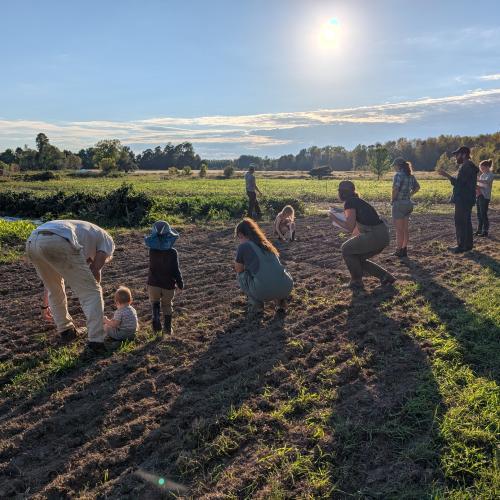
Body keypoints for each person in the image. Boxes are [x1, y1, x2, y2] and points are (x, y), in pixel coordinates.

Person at [26, 219, 115, 353]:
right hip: (59, 240)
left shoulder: (86, 234)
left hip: (33, 240)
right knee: (92, 293)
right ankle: (96, 343)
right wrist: (92, 296)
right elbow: (95, 270)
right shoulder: (107, 240)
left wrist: (45, 305)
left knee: (54, 289)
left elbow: (50, 284)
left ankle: (67, 331)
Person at [329, 181, 395, 290]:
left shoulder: (350, 203)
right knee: (356, 257)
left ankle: (356, 281)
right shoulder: (356, 201)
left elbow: (350, 227)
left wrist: (334, 218)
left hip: (375, 235)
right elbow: (357, 225)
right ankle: (385, 277)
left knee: (346, 249)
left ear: (341, 193)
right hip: (382, 236)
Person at [235, 218, 293, 315]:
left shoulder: (243, 246)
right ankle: (281, 303)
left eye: (239, 238)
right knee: (275, 272)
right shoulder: (267, 244)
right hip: (286, 286)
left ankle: (257, 306)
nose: (239, 241)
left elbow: (238, 269)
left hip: (263, 291)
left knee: (241, 275)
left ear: (241, 234)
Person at [145, 220, 184, 334]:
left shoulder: (152, 251)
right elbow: (176, 270)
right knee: (167, 305)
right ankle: (167, 328)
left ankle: (156, 322)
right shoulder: (173, 253)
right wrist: (180, 283)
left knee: (155, 303)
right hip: (168, 285)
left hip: (153, 284)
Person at [438, 146, 479, 253]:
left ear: (464, 154)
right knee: (466, 222)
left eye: (457, 154)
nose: (456, 157)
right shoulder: (469, 166)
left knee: (460, 222)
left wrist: (447, 175)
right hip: (467, 198)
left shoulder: (466, 167)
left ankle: (461, 246)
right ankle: (468, 245)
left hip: (463, 199)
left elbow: (459, 184)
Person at [391, 157, 420, 257]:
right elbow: (417, 187)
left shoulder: (398, 175)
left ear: (398, 166)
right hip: (408, 203)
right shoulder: (411, 176)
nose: (394, 168)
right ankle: (404, 249)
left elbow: (395, 189)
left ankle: (398, 250)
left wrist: (392, 199)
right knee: (405, 229)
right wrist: (409, 195)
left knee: (399, 230)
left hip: (399, 204)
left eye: (394, 166)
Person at [476, 159, 494, 237]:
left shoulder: (490, 175)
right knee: (479, 214)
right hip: (479, 195)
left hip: (485, 196)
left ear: (487, 167)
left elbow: (486, 183)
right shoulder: (482, 175)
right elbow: (480, 185)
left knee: (483, 214)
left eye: (482, 168)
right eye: (480, 168)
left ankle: (485, 231)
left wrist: (477, 180)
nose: (481, 170)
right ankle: (479, 230)